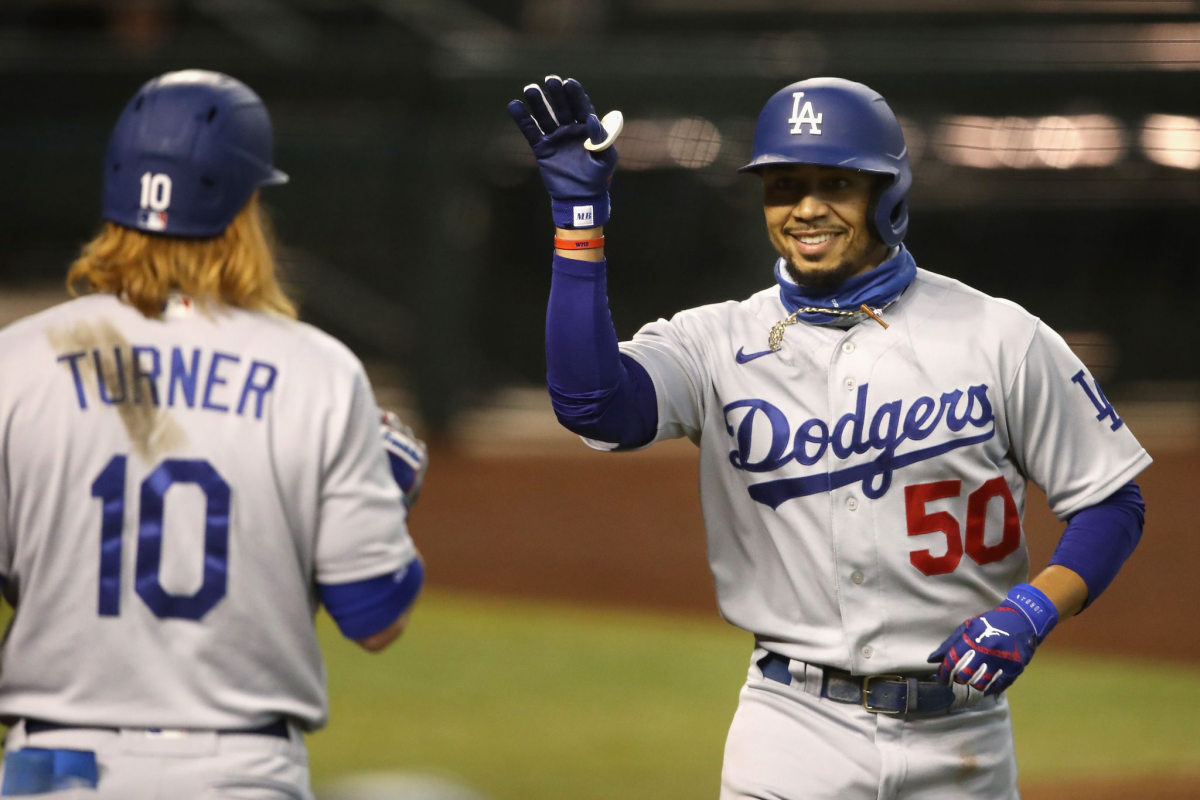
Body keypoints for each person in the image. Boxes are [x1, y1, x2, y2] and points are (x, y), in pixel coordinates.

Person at [508, 75, 1149, 798]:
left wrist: (1034, 608)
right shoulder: (717, 340)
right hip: (790, 732)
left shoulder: (999, 337)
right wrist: (578, 217)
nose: (807, 208)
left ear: (889, 196)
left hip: (964, 739)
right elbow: (593, 404)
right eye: (784, 186)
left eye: (837, 183)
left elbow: (1111, 500)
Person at [0, 69, 426, 798]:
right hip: (236, 772)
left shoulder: (15, 363)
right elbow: (375, 618)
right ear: (245, 208)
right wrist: (375, 495)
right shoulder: (316, 373)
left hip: (50, 768)